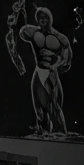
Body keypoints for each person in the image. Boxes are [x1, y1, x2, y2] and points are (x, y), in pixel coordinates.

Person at [18, 7, 72, 136]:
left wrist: (57, 64)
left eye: (45, 17)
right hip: (38, 70)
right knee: (38, 105)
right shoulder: (34, 33)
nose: (43, 20)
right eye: (40, 17)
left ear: (50, 19)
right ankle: (43, 132)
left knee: (54, 106)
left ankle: (62, 133)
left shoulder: (58, 37)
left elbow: (66, 55)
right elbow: (23, 32)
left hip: (50, 72)